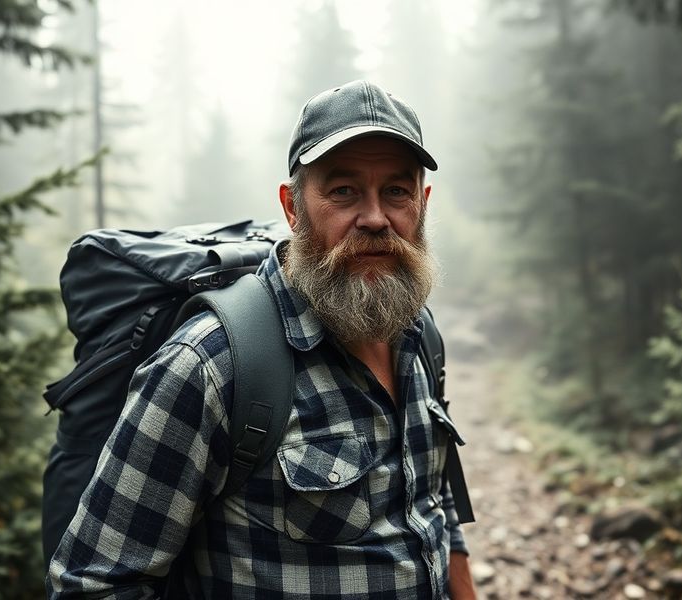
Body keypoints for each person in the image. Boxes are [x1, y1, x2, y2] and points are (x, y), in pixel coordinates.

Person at [47, 80, 477, 599]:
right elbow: (94, 584)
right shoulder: (211, 365)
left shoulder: (416, 331)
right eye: (343, 191)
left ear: (422, 204)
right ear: (293, 209)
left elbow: (428, 501)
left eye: (397, 191)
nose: (374, 217)